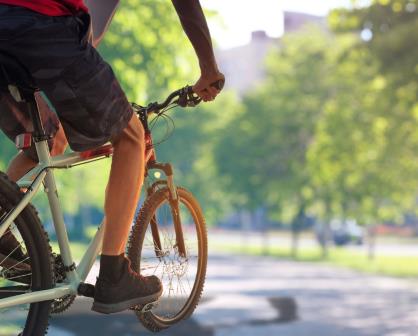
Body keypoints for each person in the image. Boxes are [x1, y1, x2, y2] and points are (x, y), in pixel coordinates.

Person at [0, 0, 224, 314]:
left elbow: (93, 30)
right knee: (131, 137)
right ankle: (114, 273)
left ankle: (4, 236)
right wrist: (209, 69)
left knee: (50, 142)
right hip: (42, 25)